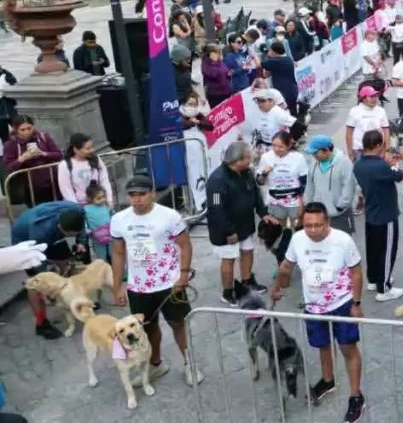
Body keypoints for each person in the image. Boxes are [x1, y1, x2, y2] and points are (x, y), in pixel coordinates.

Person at [270, 202, 366, 419]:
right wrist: (276, 288)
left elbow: (357, 272)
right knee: (322, 345)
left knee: (347, 349)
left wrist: (357, 304)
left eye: (318, 225)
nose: (312, 230)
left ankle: (356, 396)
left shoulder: (343, 241)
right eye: (308, 226)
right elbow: (286, 265)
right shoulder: (297, 239)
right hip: (314, 306)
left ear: (328, 222)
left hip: (341, 304)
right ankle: (327, 379)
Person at [110, 176, 202, 386]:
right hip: (138, 287)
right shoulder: (119, 220)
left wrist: (183, 276)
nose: (136, 200)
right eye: (132, 195)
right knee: (148, 328)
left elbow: (185, 245)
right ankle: (156, 364)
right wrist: (117, 287)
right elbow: (117, 253)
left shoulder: (169, 216)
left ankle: (190, 364)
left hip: (169, 283)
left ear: (153, 193)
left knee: (178, 324)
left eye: (141, 194)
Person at [205, 142, 274, 306]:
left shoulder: (246, 173)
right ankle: (228, 293)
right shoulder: (217, 180)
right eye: (248, 158)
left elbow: (255, 194)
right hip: (226, 229)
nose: (250, 160)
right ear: (238, 160)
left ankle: (247, 281)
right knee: (229, 259)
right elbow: (216, 209)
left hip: (245, 225)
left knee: (247, 251)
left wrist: (263, 213)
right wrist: (228, 231)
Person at [11, 201, 86, 339]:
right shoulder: (40, 231)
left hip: (52, 234)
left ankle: (77, 302)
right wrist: (50, 291)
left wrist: (80, 242)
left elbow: (81, 230)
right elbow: (41, 273)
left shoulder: (78, 211)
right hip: (26, 239)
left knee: (67, 264)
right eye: (67, 233)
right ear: (61, 228)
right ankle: (41, 324)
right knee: (34, 283)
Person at [353, 130, 403, 301]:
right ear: (379, 145)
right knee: (387, 251)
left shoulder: (359, 164)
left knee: (373, 250)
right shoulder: (380, 166)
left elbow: (383, 173)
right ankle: (384, 288)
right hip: (386, 214)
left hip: (371, 213)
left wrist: (387, 162)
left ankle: (373, 279)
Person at [3, 115, 63, 207]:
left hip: (51, 181)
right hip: (29, 186)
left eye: (29, 128)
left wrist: (44, 154)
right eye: (22, 130)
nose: (26, 132)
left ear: (33, 126)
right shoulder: (10, 144)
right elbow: (9, 167)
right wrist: (21, 159)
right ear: (15, 129)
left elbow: (59, 154)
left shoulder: (43, 137)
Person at [256, 131, 307, 224]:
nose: (276, 149)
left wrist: (301, 201)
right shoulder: (266, 157)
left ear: (288, 146)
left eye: (280, 146)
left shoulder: (298, 157)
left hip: (294, 200)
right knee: (279, 228)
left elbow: (304, 181)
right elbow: (259, 182)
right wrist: (264, 174)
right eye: (273, 145)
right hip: (275, 200)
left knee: (295, 227)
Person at [56, 132, 113, 206]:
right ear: (76, 149)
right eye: (87, 148)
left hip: (99, 202)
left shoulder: (96, 159)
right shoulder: (64, 165)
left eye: (92, 147)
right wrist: (76, 207)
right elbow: (66, 189)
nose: (92, 150)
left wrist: (109, 199)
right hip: (80, 204)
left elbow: (104, 180)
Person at [345, 85, 391, 162]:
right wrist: (350, 152)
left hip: (378, 150)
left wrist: (387, 151)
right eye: (371, 97)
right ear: (363, 99)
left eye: (375, 96)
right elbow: (349, 133)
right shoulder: (354, 111)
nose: (374, 99)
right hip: (359, 150)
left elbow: (386, 131)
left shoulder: (381, 111)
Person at [260, 42, 299, 116]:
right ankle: (298, 127)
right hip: (293, 89)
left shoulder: (276, 61)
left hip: (284, 93)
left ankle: (295, 127)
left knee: (285, 116)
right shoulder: (288, 59)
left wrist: (260, 55)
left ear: (274, 52)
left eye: (270, 51)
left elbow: (261, 64)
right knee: (293, 114)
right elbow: (268, 72)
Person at [201, 44, 232, 108]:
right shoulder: (205, 63)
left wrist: (228, 74)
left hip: (226, 91)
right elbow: (213, 74)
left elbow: (225, 70)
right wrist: (214, 62)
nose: (219, 54)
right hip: (215, 94)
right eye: (218, 52)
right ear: (211, 53)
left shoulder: (219, 61)